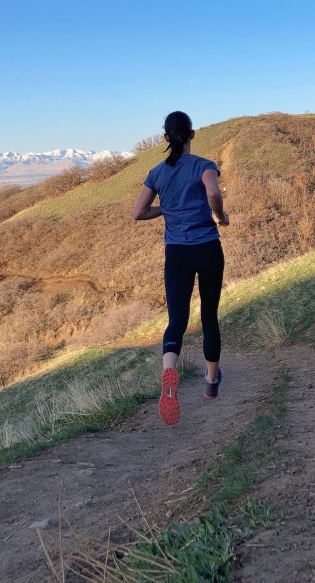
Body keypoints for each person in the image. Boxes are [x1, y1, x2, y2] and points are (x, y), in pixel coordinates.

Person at [132, 111, 229, 426]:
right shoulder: (204, 165)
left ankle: (168, 370)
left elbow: (139, 212)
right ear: (192, 135)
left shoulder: (156, 172)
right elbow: (213, 192)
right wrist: (220, 215)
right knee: (209, 317)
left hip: (176, 253)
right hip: (207, 249)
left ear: (165, 138)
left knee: (177, 320)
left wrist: (166, 209)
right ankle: (211, 383)